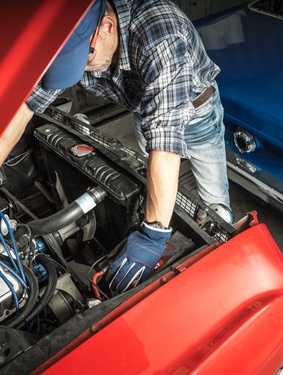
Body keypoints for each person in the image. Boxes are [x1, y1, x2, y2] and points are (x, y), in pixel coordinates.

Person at [0, 0, 233, 292]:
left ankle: (228, 269)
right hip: (145, 109)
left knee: (216, 210)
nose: (81, 70)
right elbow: (25, 108)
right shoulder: (75, 39)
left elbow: (164, 144)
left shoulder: (160, 34)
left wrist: (153, 235)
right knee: (151, 176)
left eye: (82, 60)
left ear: (107, 27)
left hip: (197, 112)